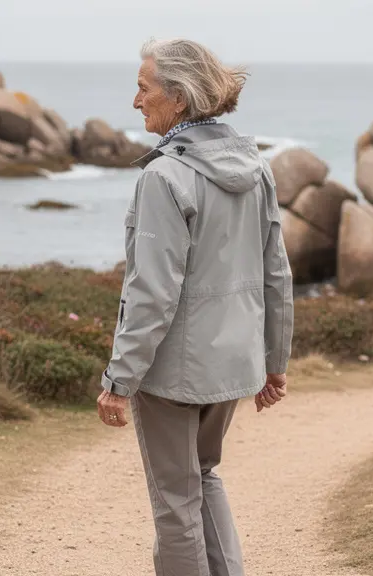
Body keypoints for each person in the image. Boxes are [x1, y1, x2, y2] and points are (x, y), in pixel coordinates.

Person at [95, 37, 294, 576]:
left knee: (175, 501)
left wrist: (120, 378)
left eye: (144, 88)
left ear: (178, 99)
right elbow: (276, 273)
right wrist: (274, 362)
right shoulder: (257, 170)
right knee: (203, 476)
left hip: (173, 373)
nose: (136, 101)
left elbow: (152, 294)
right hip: (233, 362)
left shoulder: (164, 177)